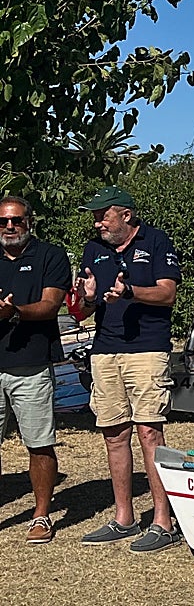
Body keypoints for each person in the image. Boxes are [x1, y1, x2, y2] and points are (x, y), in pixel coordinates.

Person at [73, 186, 183, 552]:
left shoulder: (155, 241)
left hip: (147, 350)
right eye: (96, 216)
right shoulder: (94, 249)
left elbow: (167, 293)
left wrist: (131, 292)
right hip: (104, 350)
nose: (97, 222)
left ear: (126, 215)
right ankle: (124, 518)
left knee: (149, 432)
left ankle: (162, 522)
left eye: (103, 215)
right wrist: (87, 299)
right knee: (113, 433)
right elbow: (84, 310)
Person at [0, 196, 71, 544]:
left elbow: (51, 304)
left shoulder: (51, 255)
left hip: (30, 364)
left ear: (30, 221)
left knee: (39, 444)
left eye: (17, 220)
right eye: (3, 221)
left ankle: (41, 515)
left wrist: (13, 314)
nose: (10, 227)